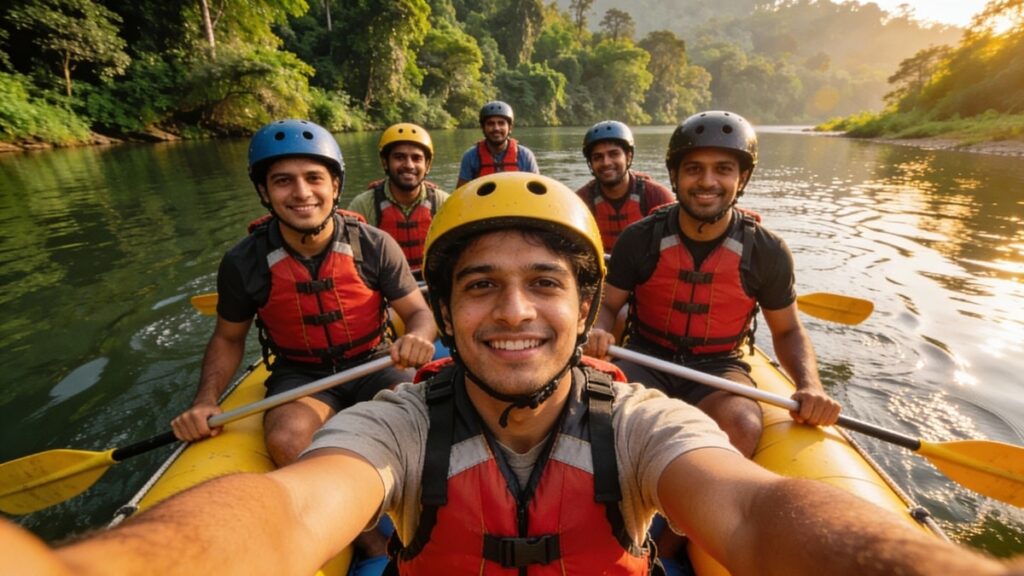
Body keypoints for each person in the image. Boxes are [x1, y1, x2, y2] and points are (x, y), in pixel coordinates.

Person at [24, 172, 1015, 576]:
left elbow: (759, 516)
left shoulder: (636, 423)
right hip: (329, 381)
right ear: (445, 312)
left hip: (697, 373)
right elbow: (282, 518)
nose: (511, 312)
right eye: (481, 288)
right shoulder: (400, 425)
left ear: (587, 311)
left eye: (545, 284)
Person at [170, 119, 436, 468]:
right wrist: (205, 399)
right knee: (288, 439)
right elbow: (228, 338)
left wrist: (417, 335)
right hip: (301, 375)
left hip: (377, 362)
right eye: (283, 181)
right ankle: (357, 523)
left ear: (335, 184)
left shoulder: (374, 244)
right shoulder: (243, 261)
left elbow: (418, 312)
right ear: (264, 191)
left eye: (313, 178)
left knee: (425, 421)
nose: (301, 192)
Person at [585, 110, 841, 461]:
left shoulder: (768, 251)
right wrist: (598, 330)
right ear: (675, 176)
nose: (707, 181)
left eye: (723, 169)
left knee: (742, 422)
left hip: (719, 366)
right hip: (645, 356)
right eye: (694, 169)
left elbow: (788, 331)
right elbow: (609, 306)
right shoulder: (640, 238)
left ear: (743, 177)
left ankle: (698, 510)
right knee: (597, 408)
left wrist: (810, 384)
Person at [347, 123, 449, 275]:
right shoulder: (363, 205)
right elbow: (350, 260)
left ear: (427, 165)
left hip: (433, 282)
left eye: (416, 158)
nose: (408, 165)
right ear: (385, 162)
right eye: (399, 157)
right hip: (386, 287)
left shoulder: (443, 203)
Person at [576, 120, 675, 252]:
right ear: (591, 163)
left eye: (614, 154)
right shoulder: (580, 202)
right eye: (598, 157)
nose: (606, 162)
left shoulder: (657, 196)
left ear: (628, 156)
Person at [455, 100, 538, 188]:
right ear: (483, 128)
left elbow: (538, 190)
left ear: (509, 127)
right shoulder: (470, 157)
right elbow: (461, 194)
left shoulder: (525, 156)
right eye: (490, 124)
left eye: (501, 123)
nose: (496, 128)